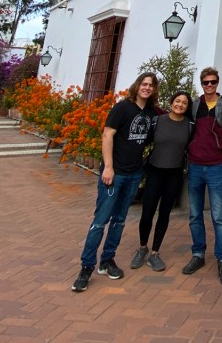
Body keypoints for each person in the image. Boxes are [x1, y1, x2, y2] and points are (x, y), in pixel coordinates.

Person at [71, 72, 159, 293]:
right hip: (115, 173)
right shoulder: (122, 108)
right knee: (101, 220)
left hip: (133, 174)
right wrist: (108, 167)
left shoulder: (150, 113)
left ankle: (107, 261)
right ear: (137, 85)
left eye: (151, 85)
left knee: (119, 220)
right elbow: (107, 135)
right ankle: (86, 267)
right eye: (144, 84)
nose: (147, 88)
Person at [181, 66, 222, 285]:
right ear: (201, 84)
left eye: (213, 82)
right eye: (206, 82)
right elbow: (181, 126)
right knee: (194, 214)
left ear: (217, 82)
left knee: (219, 216)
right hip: (195, 166)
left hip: (216, 167)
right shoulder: (195, 105)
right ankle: (198, 254)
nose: (209, 86)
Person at [130, 89, 192, 272]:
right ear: (171, 102)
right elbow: (143, 142)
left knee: (164, 214)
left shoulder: (190, 126)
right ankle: (142, 247)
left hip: (174, 175)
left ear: (187, 107)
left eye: (184, 103)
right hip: (154, 171)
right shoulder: (158, 121)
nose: (180, 105)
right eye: (177, 101)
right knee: (147, 212)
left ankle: (155, 253)